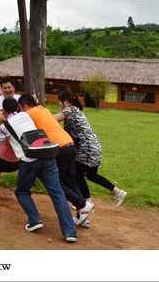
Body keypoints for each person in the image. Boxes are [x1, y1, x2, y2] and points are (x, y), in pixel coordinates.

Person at [0, 98, 78, 243]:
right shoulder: (26, 115)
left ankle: (35, 220)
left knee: (22, 191)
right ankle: (70, 232)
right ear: (18, 108)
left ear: (3, 111)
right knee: (57, 192)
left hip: (29, 160)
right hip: (47, 155)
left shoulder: (5, 127)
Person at [54, 90, 127, 219]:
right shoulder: (77, 110)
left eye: (59, 102)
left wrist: (39, 113)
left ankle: (87, 203)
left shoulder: (69, 109)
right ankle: (118, 192)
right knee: (92, 175)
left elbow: (54, 120)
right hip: (95, 147)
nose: (59, 104)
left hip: (86, 149)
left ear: (65, 102)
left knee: (77, 175)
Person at [0, 77, 21, 187]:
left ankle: (22, 178)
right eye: (4, 88)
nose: (7, 90)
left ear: (14, 88)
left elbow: (10, 118)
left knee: (20, 153)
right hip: (3, 130)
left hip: (16, 132)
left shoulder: (19, 99)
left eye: (9, 87)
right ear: (1, 89)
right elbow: (1, 118)